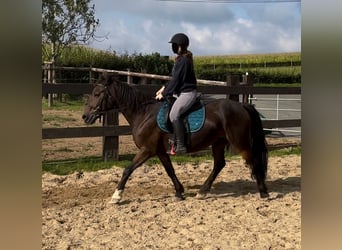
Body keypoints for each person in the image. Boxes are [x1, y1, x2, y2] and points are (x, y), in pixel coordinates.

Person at [155, 33, 198, 155]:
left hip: (187, 93)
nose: (173, 47)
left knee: (174, 114)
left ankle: (181, 146)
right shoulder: (180, 59)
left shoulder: (184, 61)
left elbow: (177, 80)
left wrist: (164, 94)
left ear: (180, 46)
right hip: (180, 92)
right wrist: (163, 88)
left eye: (174, 45)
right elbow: (173, 78)